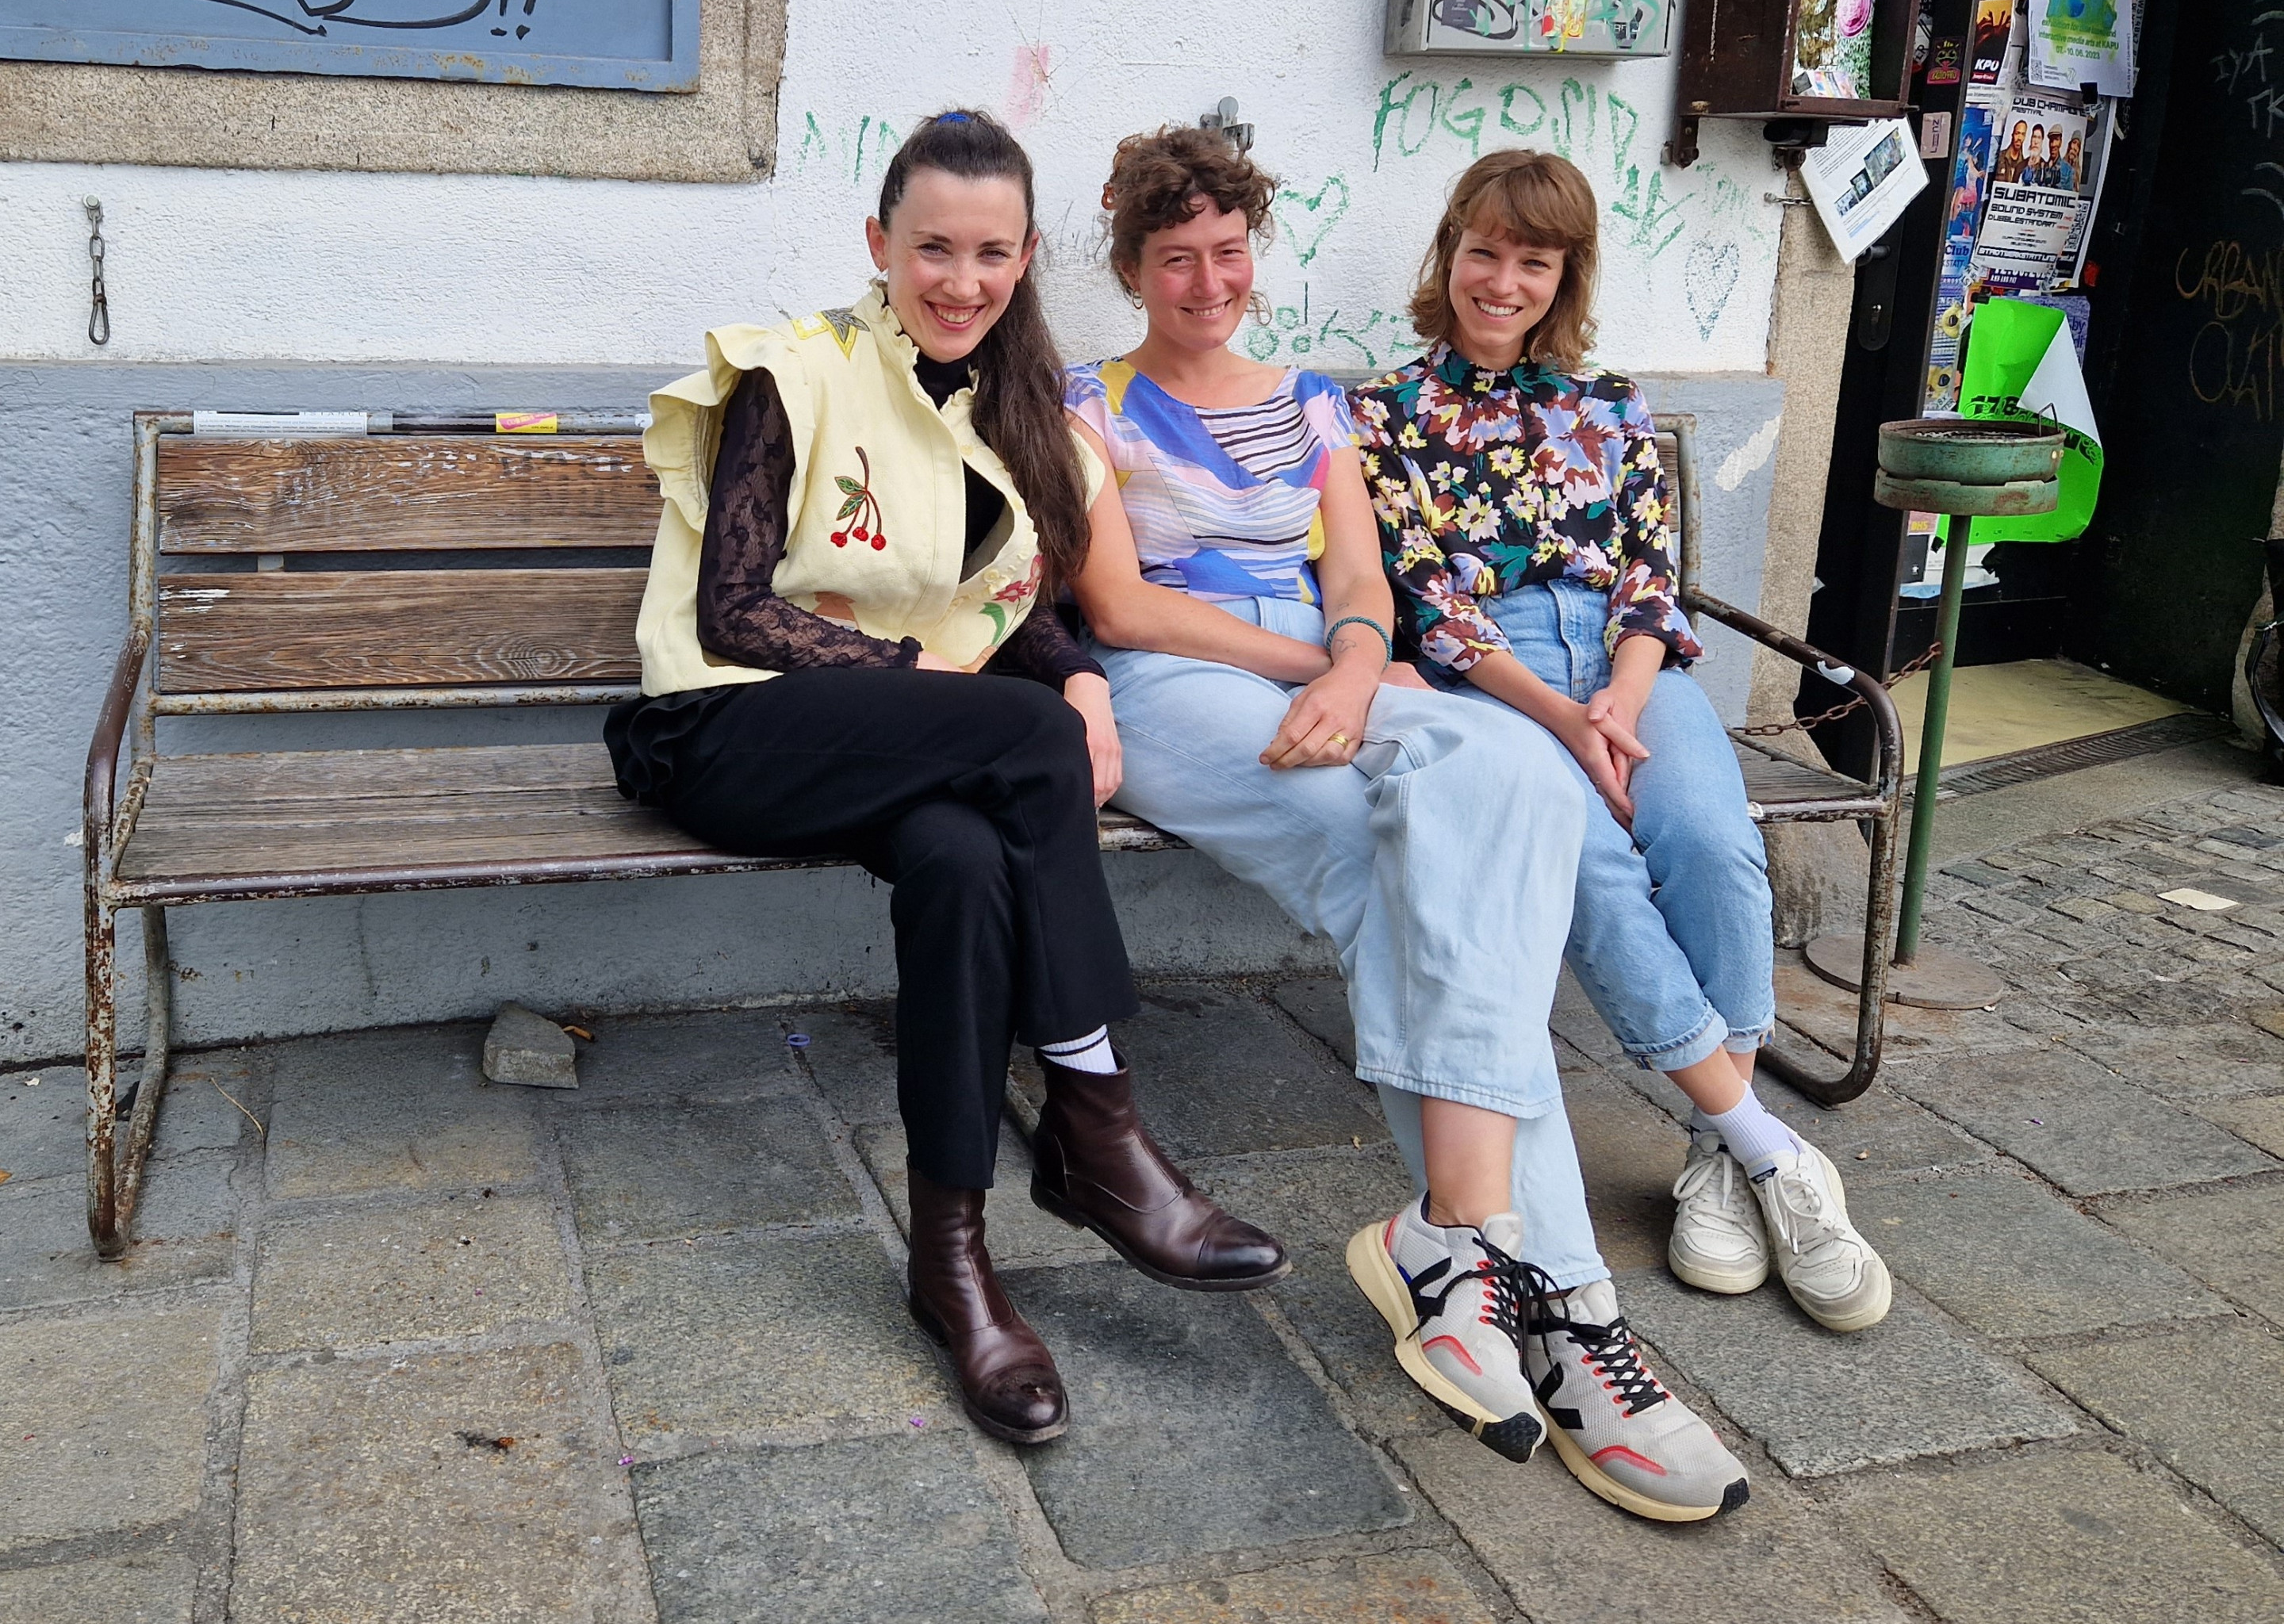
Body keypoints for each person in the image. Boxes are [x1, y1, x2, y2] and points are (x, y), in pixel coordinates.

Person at [1062, 124, 1751, 1523]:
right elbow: (1123, 608)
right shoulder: (1087, 402)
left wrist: (1360, 666)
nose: (1208, 281)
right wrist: (1314, 673)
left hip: (1334, 669)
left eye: (1230, 252)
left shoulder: (1317, 404)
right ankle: (1573, 1318)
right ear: (1133, 266)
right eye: (1176, 257)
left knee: (1510, 780)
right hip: (1183, 685)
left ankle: (1458, 1247)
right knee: (1414, 866)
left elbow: (1366, 583)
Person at [605, 111, 1286, 1450]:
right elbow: (736, 608)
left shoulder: (1017, 416)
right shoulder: (791, 377)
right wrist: (933, 679)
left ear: (1026, 257)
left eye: (989, 253)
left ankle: (953, 1264)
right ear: (880, 244)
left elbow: (1013, 607)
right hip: (728, 733)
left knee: (967, 863)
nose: (960, 280)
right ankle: (1100, 1128)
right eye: (932, 249)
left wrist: (1080, 677)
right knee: (1020, 739)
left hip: (889, 743)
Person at [1354, 148, 1893, 1342]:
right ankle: (1768, 1147)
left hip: (1627, 666)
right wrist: (1562, 717)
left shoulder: (1611, 405)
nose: (1502, 281)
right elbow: (1429, 602)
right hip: (1498, 680)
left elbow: (1654, 580)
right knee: (1587, 868)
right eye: (1484, 252)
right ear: (1452, 252)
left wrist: (1622, 702)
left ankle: (1715, 1150)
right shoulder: (1385, 412)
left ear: (1564, 274)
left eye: (1531, 261)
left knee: (1707, 836)